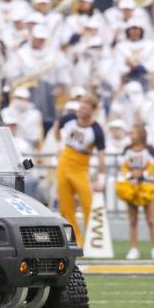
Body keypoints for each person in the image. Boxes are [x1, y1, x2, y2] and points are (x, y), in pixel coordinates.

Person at [54, 94, 106, 246]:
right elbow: (57, 127)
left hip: (81, 166)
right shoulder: (69, 119)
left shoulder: (96, 130)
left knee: (87, 202)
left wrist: (100, 178)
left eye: (84, 108)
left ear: (92, 110)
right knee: (65, 205)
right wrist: (59, 143)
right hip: (65, 162)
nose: (80, 110)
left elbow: (101, 156)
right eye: (80, 106)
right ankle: (75, 238)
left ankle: (94, 239)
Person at [116, 124, 154, 260]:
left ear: (141, 134)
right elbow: (123, 166)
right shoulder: (126, 150)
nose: (131, 135)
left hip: (146, 187)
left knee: (151, 219)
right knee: (133, 220)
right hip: (131, 187)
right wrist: (131, 178)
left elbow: (152, 167)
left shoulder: (149, 150)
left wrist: (140, 177)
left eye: (133, 133)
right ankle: (134, 249)